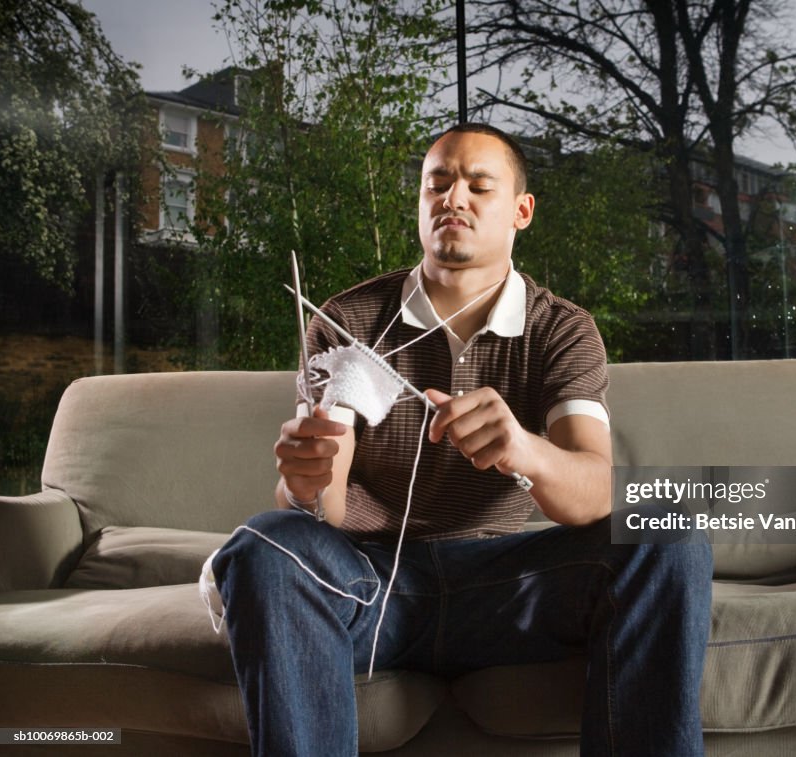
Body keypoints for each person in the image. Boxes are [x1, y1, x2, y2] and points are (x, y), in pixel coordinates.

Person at [210, 123, 712, 756]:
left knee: (666, 529)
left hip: (506, 592)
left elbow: (592, 493)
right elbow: (323, 508)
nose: (454, 199)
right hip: (367, 585)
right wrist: (304, 482)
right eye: (438, 184)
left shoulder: (562, 330)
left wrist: (523, 447)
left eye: (478, 185)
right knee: (266, 541)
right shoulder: (351, 319)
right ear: (420, 203)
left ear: (520, 211)